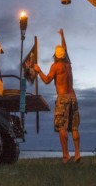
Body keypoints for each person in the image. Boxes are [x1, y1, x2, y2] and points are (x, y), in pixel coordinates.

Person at [33, 29, 81, 164]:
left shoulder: (56, 66)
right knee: (75, 127)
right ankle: (77, 153)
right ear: (64, 55)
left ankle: (66, 155)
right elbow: (65, 49)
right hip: (73, 97)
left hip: (63, 98)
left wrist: (38, 70)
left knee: (62, 127)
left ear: (55, 55)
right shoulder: (68, 64)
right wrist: (62, 35)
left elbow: (47, 80)